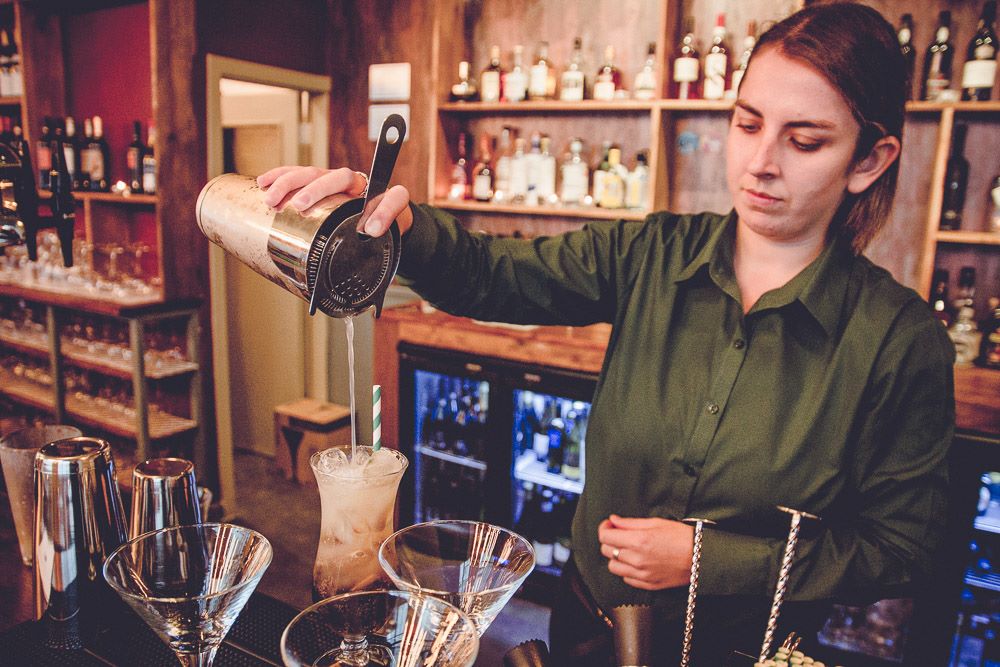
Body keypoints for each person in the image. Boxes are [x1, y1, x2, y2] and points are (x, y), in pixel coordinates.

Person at [258, 3, 954, 664]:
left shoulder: (898, 339)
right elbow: (490, 274)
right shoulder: (652, 253)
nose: (761, 161)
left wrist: (709, 558)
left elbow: (905, 547)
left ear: (869, 159)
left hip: (741, 653)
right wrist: (397, 224)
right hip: (586, 630)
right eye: (747, 124)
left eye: (804, 140)